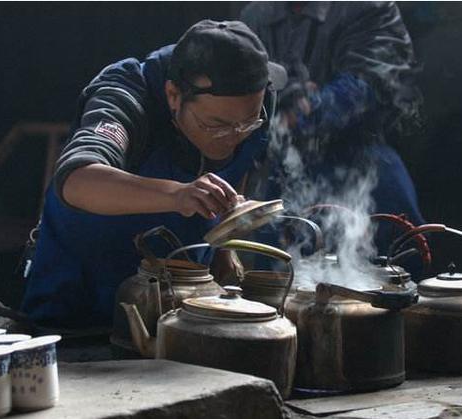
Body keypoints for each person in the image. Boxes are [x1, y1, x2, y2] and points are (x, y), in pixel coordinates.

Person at [21, 20, 286, 329]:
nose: (231, 137)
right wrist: (178, 194)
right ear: (173, 95)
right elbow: (76, 180)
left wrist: (223, 244)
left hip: (183, 307)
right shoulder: (126, 97)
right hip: (79, 303)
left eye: (247, 124)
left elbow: (238, 164)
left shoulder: (255, 103)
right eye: (215, 126)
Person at [241, 2, 426, 264]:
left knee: (396, 268)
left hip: (363, 163)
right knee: (275, 278)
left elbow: (371, 80)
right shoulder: (256, 14)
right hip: (284, 168)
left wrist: (309, 110)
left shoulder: (369, 7)